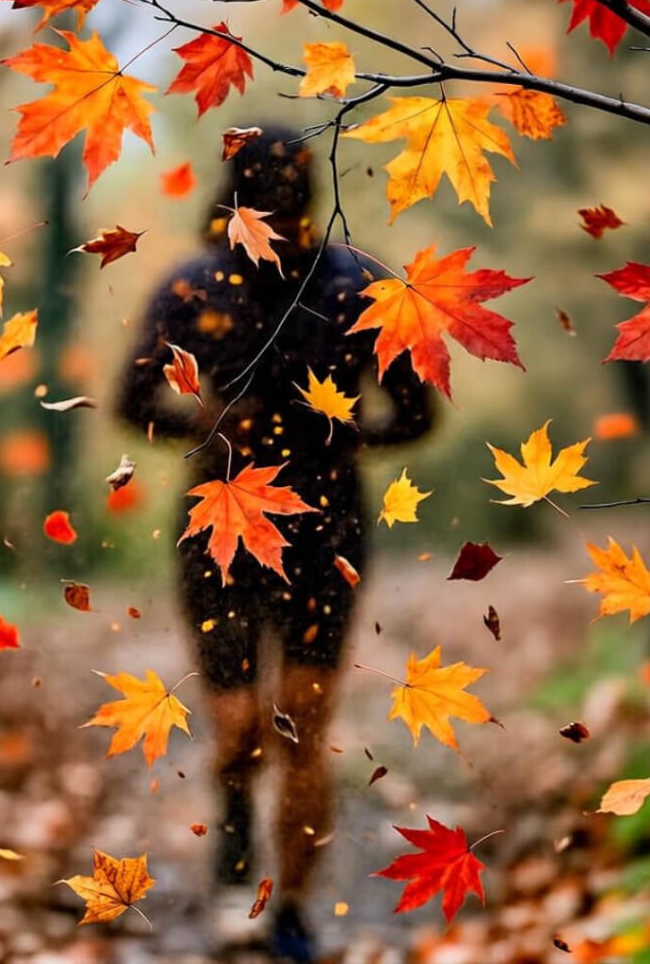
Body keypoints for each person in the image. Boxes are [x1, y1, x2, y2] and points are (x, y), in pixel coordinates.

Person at [116, 126, 434, 962]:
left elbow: (417, 410)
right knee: (235, 728)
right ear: (234, 199)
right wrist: (209, 423)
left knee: (301, 724)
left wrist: (342, 434)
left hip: (326, 527)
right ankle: (232, 853)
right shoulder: (192, 284)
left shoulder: (358, 283)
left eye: (288, 201)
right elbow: (130, 399)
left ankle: (289, 907)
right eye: (265, 200)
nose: (279, 215)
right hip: (217, 523)